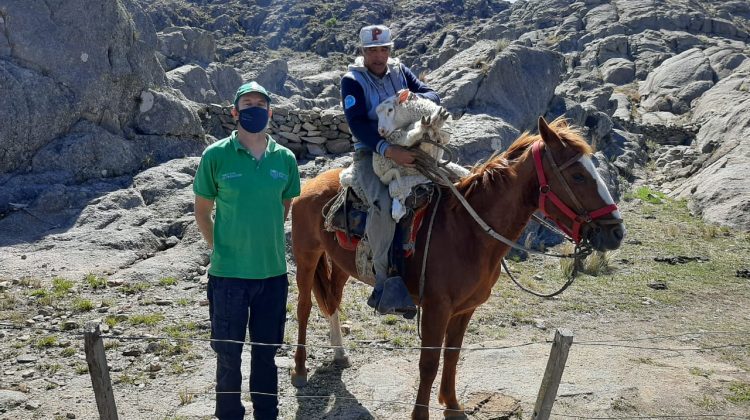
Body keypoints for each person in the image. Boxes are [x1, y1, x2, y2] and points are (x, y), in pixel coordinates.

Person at [193, 81, 301, 420]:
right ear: (235, 112)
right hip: (228, 277)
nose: (254, 108)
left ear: (269, 111)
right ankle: (229, 414)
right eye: (247, 103)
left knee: (266, 353)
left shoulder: (285, 159)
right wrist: (221, 249)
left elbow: (284, 204)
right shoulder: (216, 155)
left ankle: (266, 414)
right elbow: (202, 210)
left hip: (273, 275)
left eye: (260, 103)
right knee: (227, 355)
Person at [340, 24, 440, 317]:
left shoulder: (400, 71)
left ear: (390, 50)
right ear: (362, 52)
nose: (378, 55)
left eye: (383, 49)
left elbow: (432, 95)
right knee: (383, 204)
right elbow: (357, 122)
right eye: (372, 50)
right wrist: (388, 150)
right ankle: (383, 280)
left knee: (445, 186)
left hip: (407, 146)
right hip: (369, 153)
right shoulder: (352, 80)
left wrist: (417, 99)